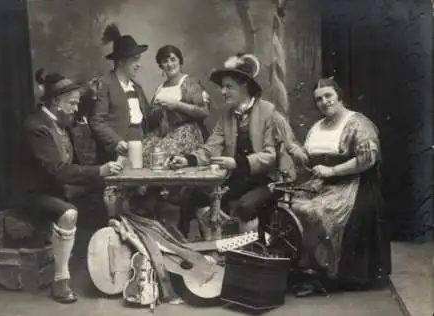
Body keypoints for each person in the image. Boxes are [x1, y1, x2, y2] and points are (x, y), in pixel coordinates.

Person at [11, 69, 123, 304]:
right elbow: (59, 170)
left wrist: (101, 177)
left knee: (105, 194)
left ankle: (105, 262)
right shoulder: (37, 127)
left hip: (55, 188)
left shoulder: (59, 121)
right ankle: (61, 280)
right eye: (72, 103)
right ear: (56, 103)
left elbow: (72, 168)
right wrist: (99, 171)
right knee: (69, 213)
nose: (75, 108)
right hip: (33, 194)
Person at [168, 53, 296, 238]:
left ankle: (251, 250)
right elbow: (211, 147)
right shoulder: (227, 116)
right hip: (239, 180)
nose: (223, 91)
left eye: (229, 86)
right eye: (222, 87)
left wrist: (238, 163)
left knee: (245, 205)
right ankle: (211, 249)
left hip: (269, 180)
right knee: (194, 197)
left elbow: (270, 156)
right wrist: (187, 159)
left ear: (244, 86)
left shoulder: (268, 112)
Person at [286, 78, 391, 296]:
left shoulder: (358, 123)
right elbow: (311, 162)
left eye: (328, 96)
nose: (324, 102)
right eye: (318, 99)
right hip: (321, 183)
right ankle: (302, 268)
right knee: (287, 204)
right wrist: (299, 154)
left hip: (352, 184)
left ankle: (322, 274)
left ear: (339, 96)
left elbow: (368, 160)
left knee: (313, 211)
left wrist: (333, 171)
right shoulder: (317, 126)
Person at [135, 45, 212, 233]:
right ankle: (147, 203)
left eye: (172, 59)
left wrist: (175, 105)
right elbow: (152, 120)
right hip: (163, 133)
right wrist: (155, 113)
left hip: (186, 132)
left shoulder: (189, 82)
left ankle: (157, 198)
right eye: (164, 61)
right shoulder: (161, 87)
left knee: (159, 153)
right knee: (142, 152)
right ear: (160, 65)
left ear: (180, 61)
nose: (169, 64)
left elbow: (203, 111)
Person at [84, 23, 150, 164]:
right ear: (121, 62)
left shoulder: (137, 88)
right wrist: (116, 142)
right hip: (116, 154)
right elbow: (97, 121)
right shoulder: (105, 84)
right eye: (135, 60)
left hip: (140, 149)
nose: (139, 64)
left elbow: (148, 119)